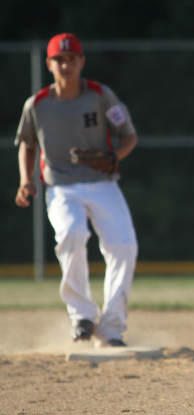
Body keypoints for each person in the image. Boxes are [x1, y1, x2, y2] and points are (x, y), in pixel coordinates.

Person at [15, 33, 139, 348]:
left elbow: (128, 136)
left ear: (81, 62)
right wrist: (26, 179)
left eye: (72, 59)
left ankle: (110, 329)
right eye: (59, 59)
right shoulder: (38, 105)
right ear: (49, 64)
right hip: (60, 186)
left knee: (124, 245)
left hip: (102, 183)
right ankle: (82, 315)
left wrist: (114, 158)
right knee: (71, 234)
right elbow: (27, 143)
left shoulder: (100, 96)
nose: (66, 64)